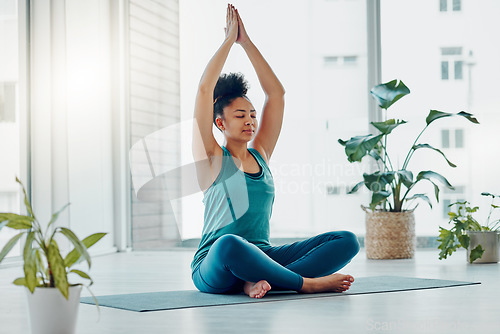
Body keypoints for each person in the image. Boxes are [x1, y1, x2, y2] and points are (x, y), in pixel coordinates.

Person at [191, 3, 359, 299]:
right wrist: (229, 40)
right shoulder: (212, 157)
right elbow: (205, 91)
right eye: (240, 115)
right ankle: (304, 284)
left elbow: (276, 94)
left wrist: (247, 42)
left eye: (253, 114)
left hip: (263, 256)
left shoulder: (261, 155)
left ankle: (256, 282)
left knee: (346, 241)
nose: (250, 121)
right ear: (220, 122)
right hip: (214, 264)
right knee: (229, 243)